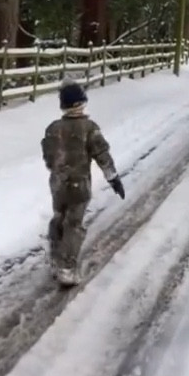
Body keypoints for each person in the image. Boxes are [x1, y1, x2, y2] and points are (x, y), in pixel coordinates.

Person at [41, 80, 125, 287]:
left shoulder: (53, 129)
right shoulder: (89, 128)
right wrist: (113, 178)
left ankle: (55, 257)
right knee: (74, 225)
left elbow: (48, 157)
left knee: (59, 218)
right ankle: (67, 267)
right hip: (79, 185)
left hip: (57, 184)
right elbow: (102, 155)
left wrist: (59, 169)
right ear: (81, 103)